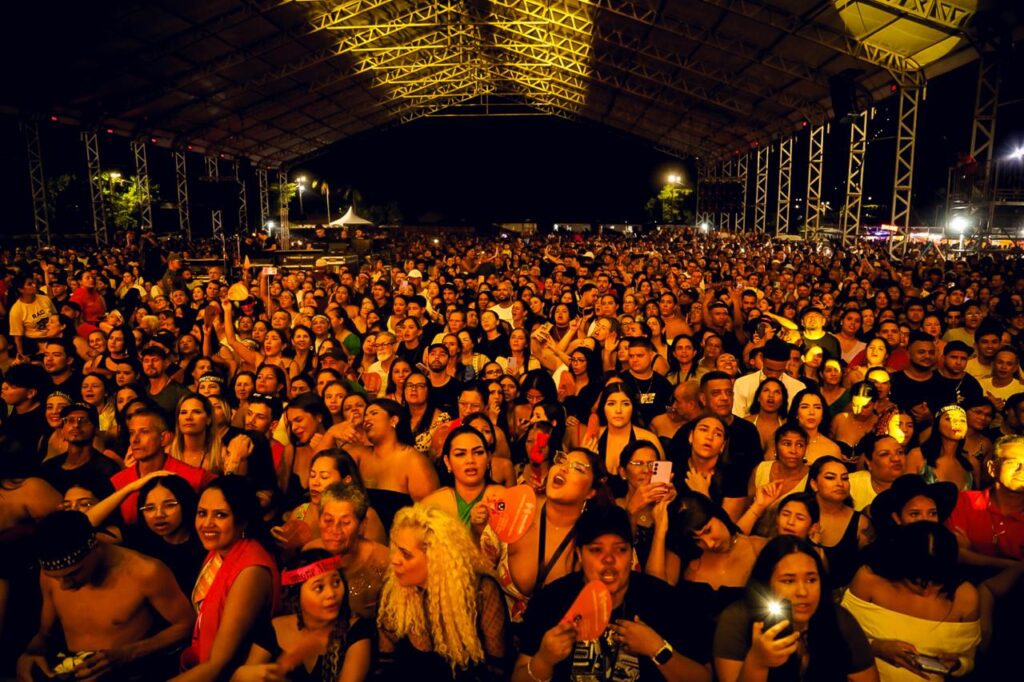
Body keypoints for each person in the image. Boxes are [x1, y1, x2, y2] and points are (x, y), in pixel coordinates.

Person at [516, 505, 712, 682]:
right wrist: (543, 660)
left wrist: (657, 650)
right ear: (579, 554)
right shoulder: (551, 600)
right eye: (596, 550)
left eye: (620, 549)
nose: (609, 559)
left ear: (631, 554)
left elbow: (704, 677)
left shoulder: (663, 600)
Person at [17, 510, 194, 681]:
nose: (64, 585)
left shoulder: (145, 572)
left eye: (74, 573)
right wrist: (30, 654)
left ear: (95, 547)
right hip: (70, 670)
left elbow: (186, 625)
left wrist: (129, 653)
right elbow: (45, 633)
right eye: (56, 578)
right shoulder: (51, 575)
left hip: (131, 673)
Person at [714, 536, 878, 681]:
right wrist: (757, 662)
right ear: (766, 585)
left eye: (811, 580)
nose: (803, 592)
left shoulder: (837, 618)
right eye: (788, 581)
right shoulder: (738, 619)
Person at [377, 504, 511, 680]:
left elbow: (496, 670)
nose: (394, 560)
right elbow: (385, 664)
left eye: (406, 554)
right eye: (396, 549)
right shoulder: (393, 591)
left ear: (436, 558)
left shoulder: (482, 592)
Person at [842, 523, 981, 680]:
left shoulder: (964, 596)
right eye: (916, 581)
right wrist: (876, 647)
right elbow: (838, 639)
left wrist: (956, 665)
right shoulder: (869, 579)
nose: (926, 589)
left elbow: (968, 660)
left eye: (936, 582)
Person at [176, 476, 281, 680]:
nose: (207, 524)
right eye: (202, 513)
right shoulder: (218, 552)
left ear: (243, 520)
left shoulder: (252, 571)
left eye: (220, 515)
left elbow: (219, 663)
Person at [495, 448, 610, 622]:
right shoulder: (517, 507)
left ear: (591, 492)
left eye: (577, 468)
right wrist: (479, 526)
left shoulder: (600, 535)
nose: (563, 468)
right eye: (561, 460)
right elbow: (480, 569)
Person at [233, 550, 373, 682]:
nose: (331, 594)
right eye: (319, 588)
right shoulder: (273, 628)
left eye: (336, 582)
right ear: (297, 595)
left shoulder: (358, 631)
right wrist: (240, 676)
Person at [647, 493, 767, 622]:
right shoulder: (689, 556)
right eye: (698, 540)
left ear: (718, 515)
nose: (709, 544)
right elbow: (656, 593)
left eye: (708, 530)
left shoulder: (758, 548)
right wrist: (660, 531)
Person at [111, 408, 216, 525]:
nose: (135, 440)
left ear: (164, 438)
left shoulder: (195, 477)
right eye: (132, 433)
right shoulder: (117, 482)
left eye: (144, 432)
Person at [350, 398, 439, 531]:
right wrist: (331, 433)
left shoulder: (413, 461)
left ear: (393, 420)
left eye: (373, 413)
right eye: (365, 416)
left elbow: (432, 516)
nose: (366, 419)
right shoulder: (359, 455)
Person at [304, 481, 389, 619]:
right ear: (319, 520)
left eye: (345, 522)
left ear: (362, 526)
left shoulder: (385, 562)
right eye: (328, 520)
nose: (335, 529)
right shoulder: (309, 554)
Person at [947, 434, 1024, 568]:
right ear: (992, 468)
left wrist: (972, 553)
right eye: (1013, 463)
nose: (1022, 470)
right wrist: (1015, 565)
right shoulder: (965, 501)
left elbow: (965, 555)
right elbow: (954, 553)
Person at [422, 425, 505, 535]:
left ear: (489, 458)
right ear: (447, 462)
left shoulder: (504, 498)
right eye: (460, 454)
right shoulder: (432, 504)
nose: (470, 460)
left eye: (478, 452)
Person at [807, 456, 873, 588]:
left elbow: (869, 570)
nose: (840, 483)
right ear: (814, 484)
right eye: (830, 478)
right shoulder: (800, 514)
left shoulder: (861, 523)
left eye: (845, 478)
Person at [615, 439, 675, 568]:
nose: (646, 470)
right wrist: (631, 511)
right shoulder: (610, 508)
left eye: (652, 465)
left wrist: (668, 505)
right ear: (622, 471)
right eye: (638, 463)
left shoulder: (668, 509)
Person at [906, 405, 977, 490]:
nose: (956, 423)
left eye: (962, 420)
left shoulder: (971, 462)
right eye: (949, 419)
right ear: (937, 424)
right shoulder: (917, 455)